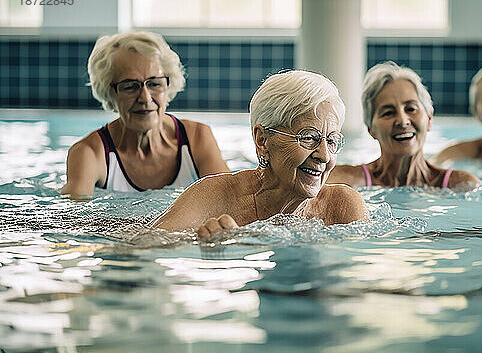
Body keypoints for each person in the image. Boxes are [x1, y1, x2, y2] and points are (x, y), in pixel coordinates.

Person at [153, 70, 368, 239]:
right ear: (262, 140)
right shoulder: (213, 197)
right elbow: (144, 244)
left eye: (331, 141)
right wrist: (198, 240)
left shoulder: (343, 207)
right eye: (309, 137)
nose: (324, 155)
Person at [61, 31, 229, 198]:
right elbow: (73, 220)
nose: (145, 98)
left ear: (168, 86)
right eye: (130, 86)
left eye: (154, 84)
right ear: (109, 93)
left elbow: (230, 203)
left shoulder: (197, 138)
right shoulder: (89, 153)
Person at [327, 61, 478, 189]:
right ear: (371, 129)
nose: (403, 121)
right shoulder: (343, 181)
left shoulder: (461, 185)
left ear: (429, 120)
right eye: (388, 113)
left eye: (411, 109)